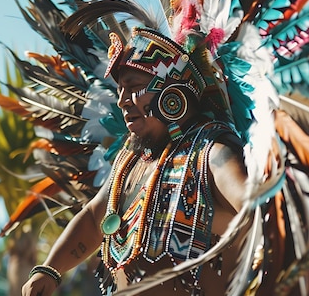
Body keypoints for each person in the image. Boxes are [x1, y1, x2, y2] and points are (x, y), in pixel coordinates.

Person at [22, 28, 249, 296]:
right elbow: (95, 218)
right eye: (119, 90)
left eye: (132, 88)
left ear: (172, 94)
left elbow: (258, 209)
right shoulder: (130, 161)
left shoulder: (210, 153)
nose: (121, 101)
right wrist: (49, 269)